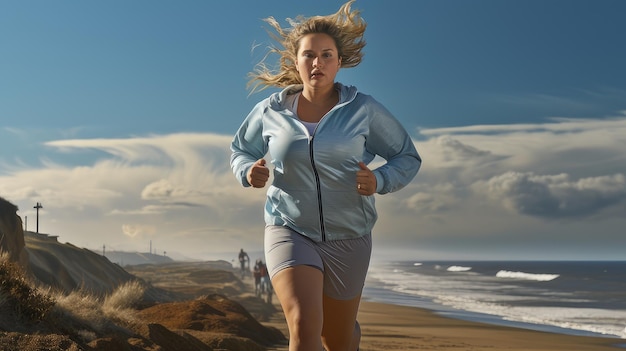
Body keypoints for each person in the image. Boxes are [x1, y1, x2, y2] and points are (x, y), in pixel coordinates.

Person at [230, 1, 421, 350]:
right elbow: (240, 150)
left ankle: (349, 336)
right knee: (304, 326)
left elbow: (406, 156)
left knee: (337, 339)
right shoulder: (270, 111)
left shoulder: (363, 110)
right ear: (296, 60)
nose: (317, 63)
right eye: (309, 55)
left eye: (326, 55)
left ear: (339, 61)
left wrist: (380, 180)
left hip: (350, 234)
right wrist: (248, 171)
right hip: (289, 227)